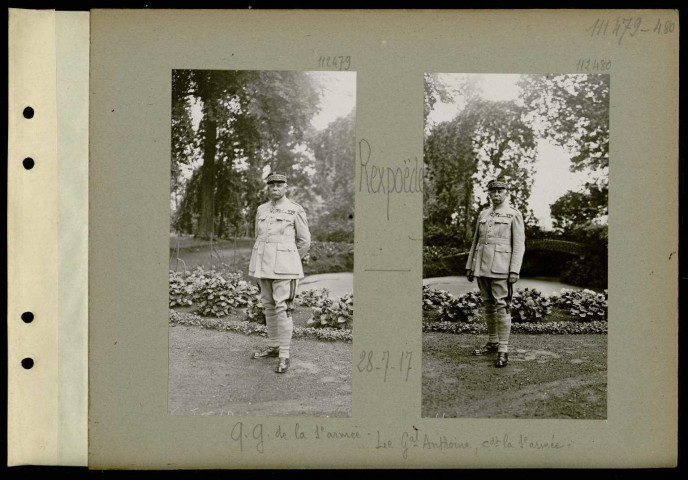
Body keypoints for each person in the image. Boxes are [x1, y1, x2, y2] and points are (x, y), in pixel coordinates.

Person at [249, 171, 311, 373]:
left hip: (285, 266)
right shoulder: (261, 209)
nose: (275, 188)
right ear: (268, 187)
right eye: (271, 184)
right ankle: (274, 346)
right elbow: (258, 236)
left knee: (283, 308)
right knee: (268, 305)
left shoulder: (295, 210)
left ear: (286, 187)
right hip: (263, 264)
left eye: (279, 184)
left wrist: (291, 259)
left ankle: (284, 354)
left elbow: (304, 242)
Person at [465, 179, 525, 367]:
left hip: (501, 267)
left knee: (502, 306)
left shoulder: (513, 215)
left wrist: (514, 269)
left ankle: (503, 349)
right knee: (488, 305)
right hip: (481, 267)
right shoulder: (483, 214)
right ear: (489, 194)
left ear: (507, 193)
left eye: (500, 191)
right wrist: (470, 266)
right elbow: (476, 242)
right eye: (493, 191)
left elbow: (519, 245)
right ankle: (492, 342)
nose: (496, 194)